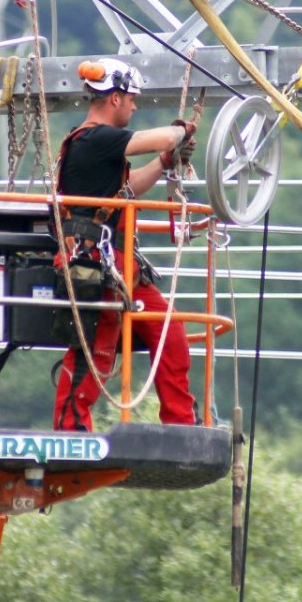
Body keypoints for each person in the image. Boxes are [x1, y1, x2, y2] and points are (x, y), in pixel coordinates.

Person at [52, 57, 198, 432]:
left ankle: (181, 424)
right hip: (95, 262)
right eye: (131, 98)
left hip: (115, 264)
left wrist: (166, 162)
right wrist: (179, 134)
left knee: (167, 328)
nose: (134, 106)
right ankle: (70, 430)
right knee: (97, 348)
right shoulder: (96, 138)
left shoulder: (97, 147)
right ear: (114, 98)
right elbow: (166, 136)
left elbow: (127, 191)